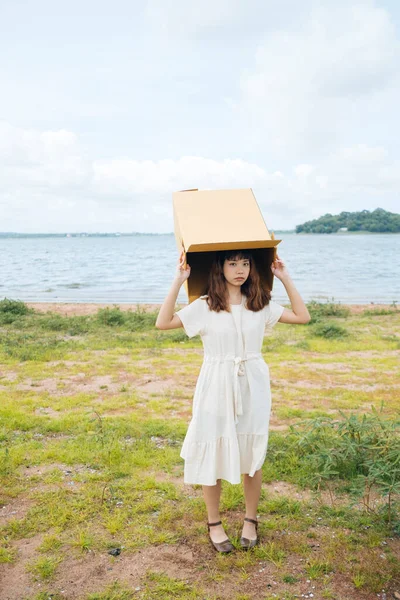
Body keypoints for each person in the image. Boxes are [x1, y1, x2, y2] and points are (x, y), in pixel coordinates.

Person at [155, 248, 310, 553]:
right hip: (215, 383)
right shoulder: (205, 306)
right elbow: (163, 322)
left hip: (253, 382)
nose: (240, 269)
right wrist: (178, 279)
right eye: (233, 263)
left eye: (246, 263)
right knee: (213, 448)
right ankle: (214, 522)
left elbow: (303, 317)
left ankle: (251, 519)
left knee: (252, 454)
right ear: (220, 267)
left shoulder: (260, 302)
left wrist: (284, 276)